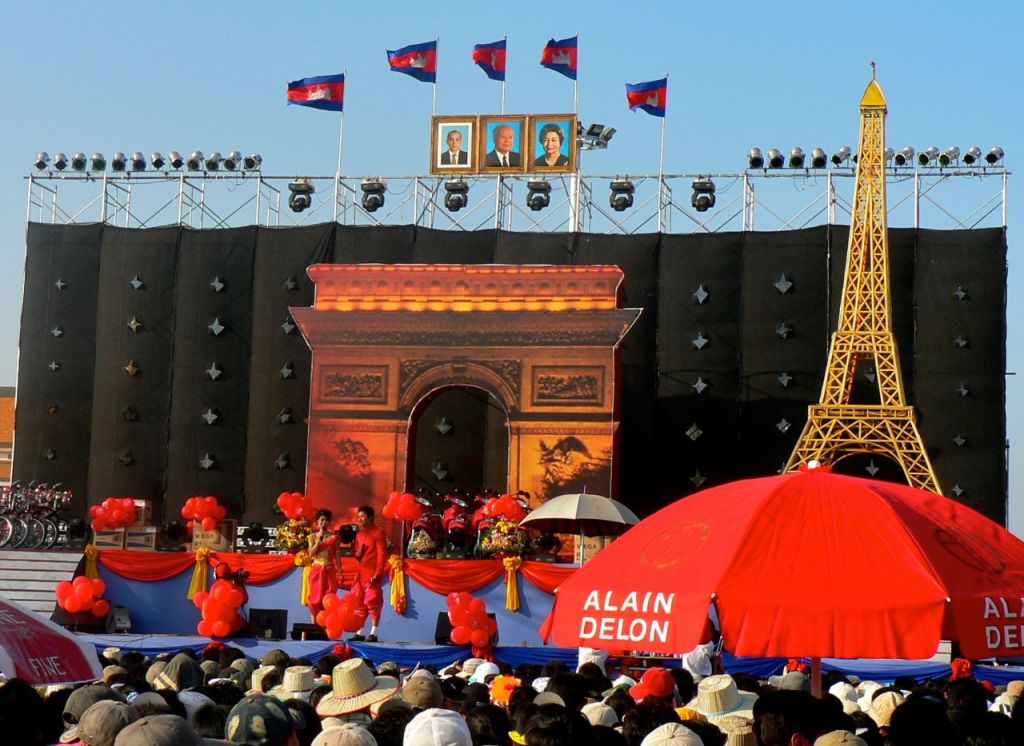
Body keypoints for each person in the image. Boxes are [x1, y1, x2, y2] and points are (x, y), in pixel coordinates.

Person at [349, 505, 388, 642]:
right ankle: (360, 632)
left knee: (372, 601)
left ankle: (374, 633)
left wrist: (378, 572)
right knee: (359, 601)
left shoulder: (378, 532)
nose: (359, 519)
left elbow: (382, 554)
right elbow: (358, 554)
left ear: (371, 518)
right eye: (358, 517)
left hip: (372, 573)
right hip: (361, 574)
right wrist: (358, 555)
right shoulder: (359, 534)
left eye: (362, 516)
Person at [308, 508, 340, 622]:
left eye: (326, 520)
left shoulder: (334, 537)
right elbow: (311, 554)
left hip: (329, 570)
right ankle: (313, 625)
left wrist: (340, 572)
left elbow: (337, 555)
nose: (324, 522)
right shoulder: (312, 536)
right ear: (317, 522)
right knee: (315, 598)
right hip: (317, 570)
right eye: (321, 520)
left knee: (329, 598)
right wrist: (319, 539)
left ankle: (326, 626)